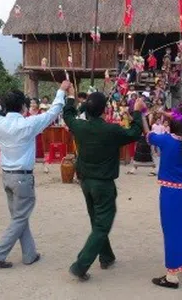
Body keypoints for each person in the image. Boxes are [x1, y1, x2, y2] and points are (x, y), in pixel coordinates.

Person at [0, 76, 70, 269]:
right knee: (20, 217)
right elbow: (54, 112)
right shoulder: (28, 124)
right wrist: (62, 90)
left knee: (19, 216)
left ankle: (29, 254)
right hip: (22, 177)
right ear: (23, 107)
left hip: (7, 176)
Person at [63, 89, 144, 281]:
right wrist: (138, 112)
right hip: (103, 184)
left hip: (85, 181)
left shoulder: (79, 126)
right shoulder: (111, 130)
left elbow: (67, 114)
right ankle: (81, 265)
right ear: (104, 110)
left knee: (96, 220)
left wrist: (74, 98)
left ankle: (106, 256)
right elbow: (134, 132)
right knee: (102, 225)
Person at [147, 107, 182, 289]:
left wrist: (141, 113)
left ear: (174, 123)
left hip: (171, 192)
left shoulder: (166, 141)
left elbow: (148, 135)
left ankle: (172, 275)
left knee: (171, 231)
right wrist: (171, 115)